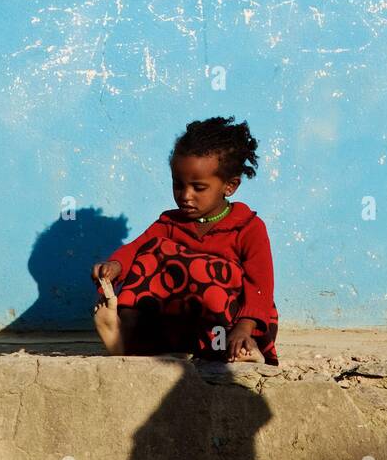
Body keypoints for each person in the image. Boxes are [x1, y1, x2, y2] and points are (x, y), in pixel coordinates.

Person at [92, 116, 279, 365]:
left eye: (198, 188)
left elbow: (260, 286)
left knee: (205, 269)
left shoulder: (248, 228)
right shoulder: (170, 223)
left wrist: (244, 328)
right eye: (178, 185)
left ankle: (239, 351)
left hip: (236, 324)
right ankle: (126, 333)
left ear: (230, 186)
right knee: (150, 253)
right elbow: (136, 248)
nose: (185, 196)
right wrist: (116, 266)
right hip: (184, 324)